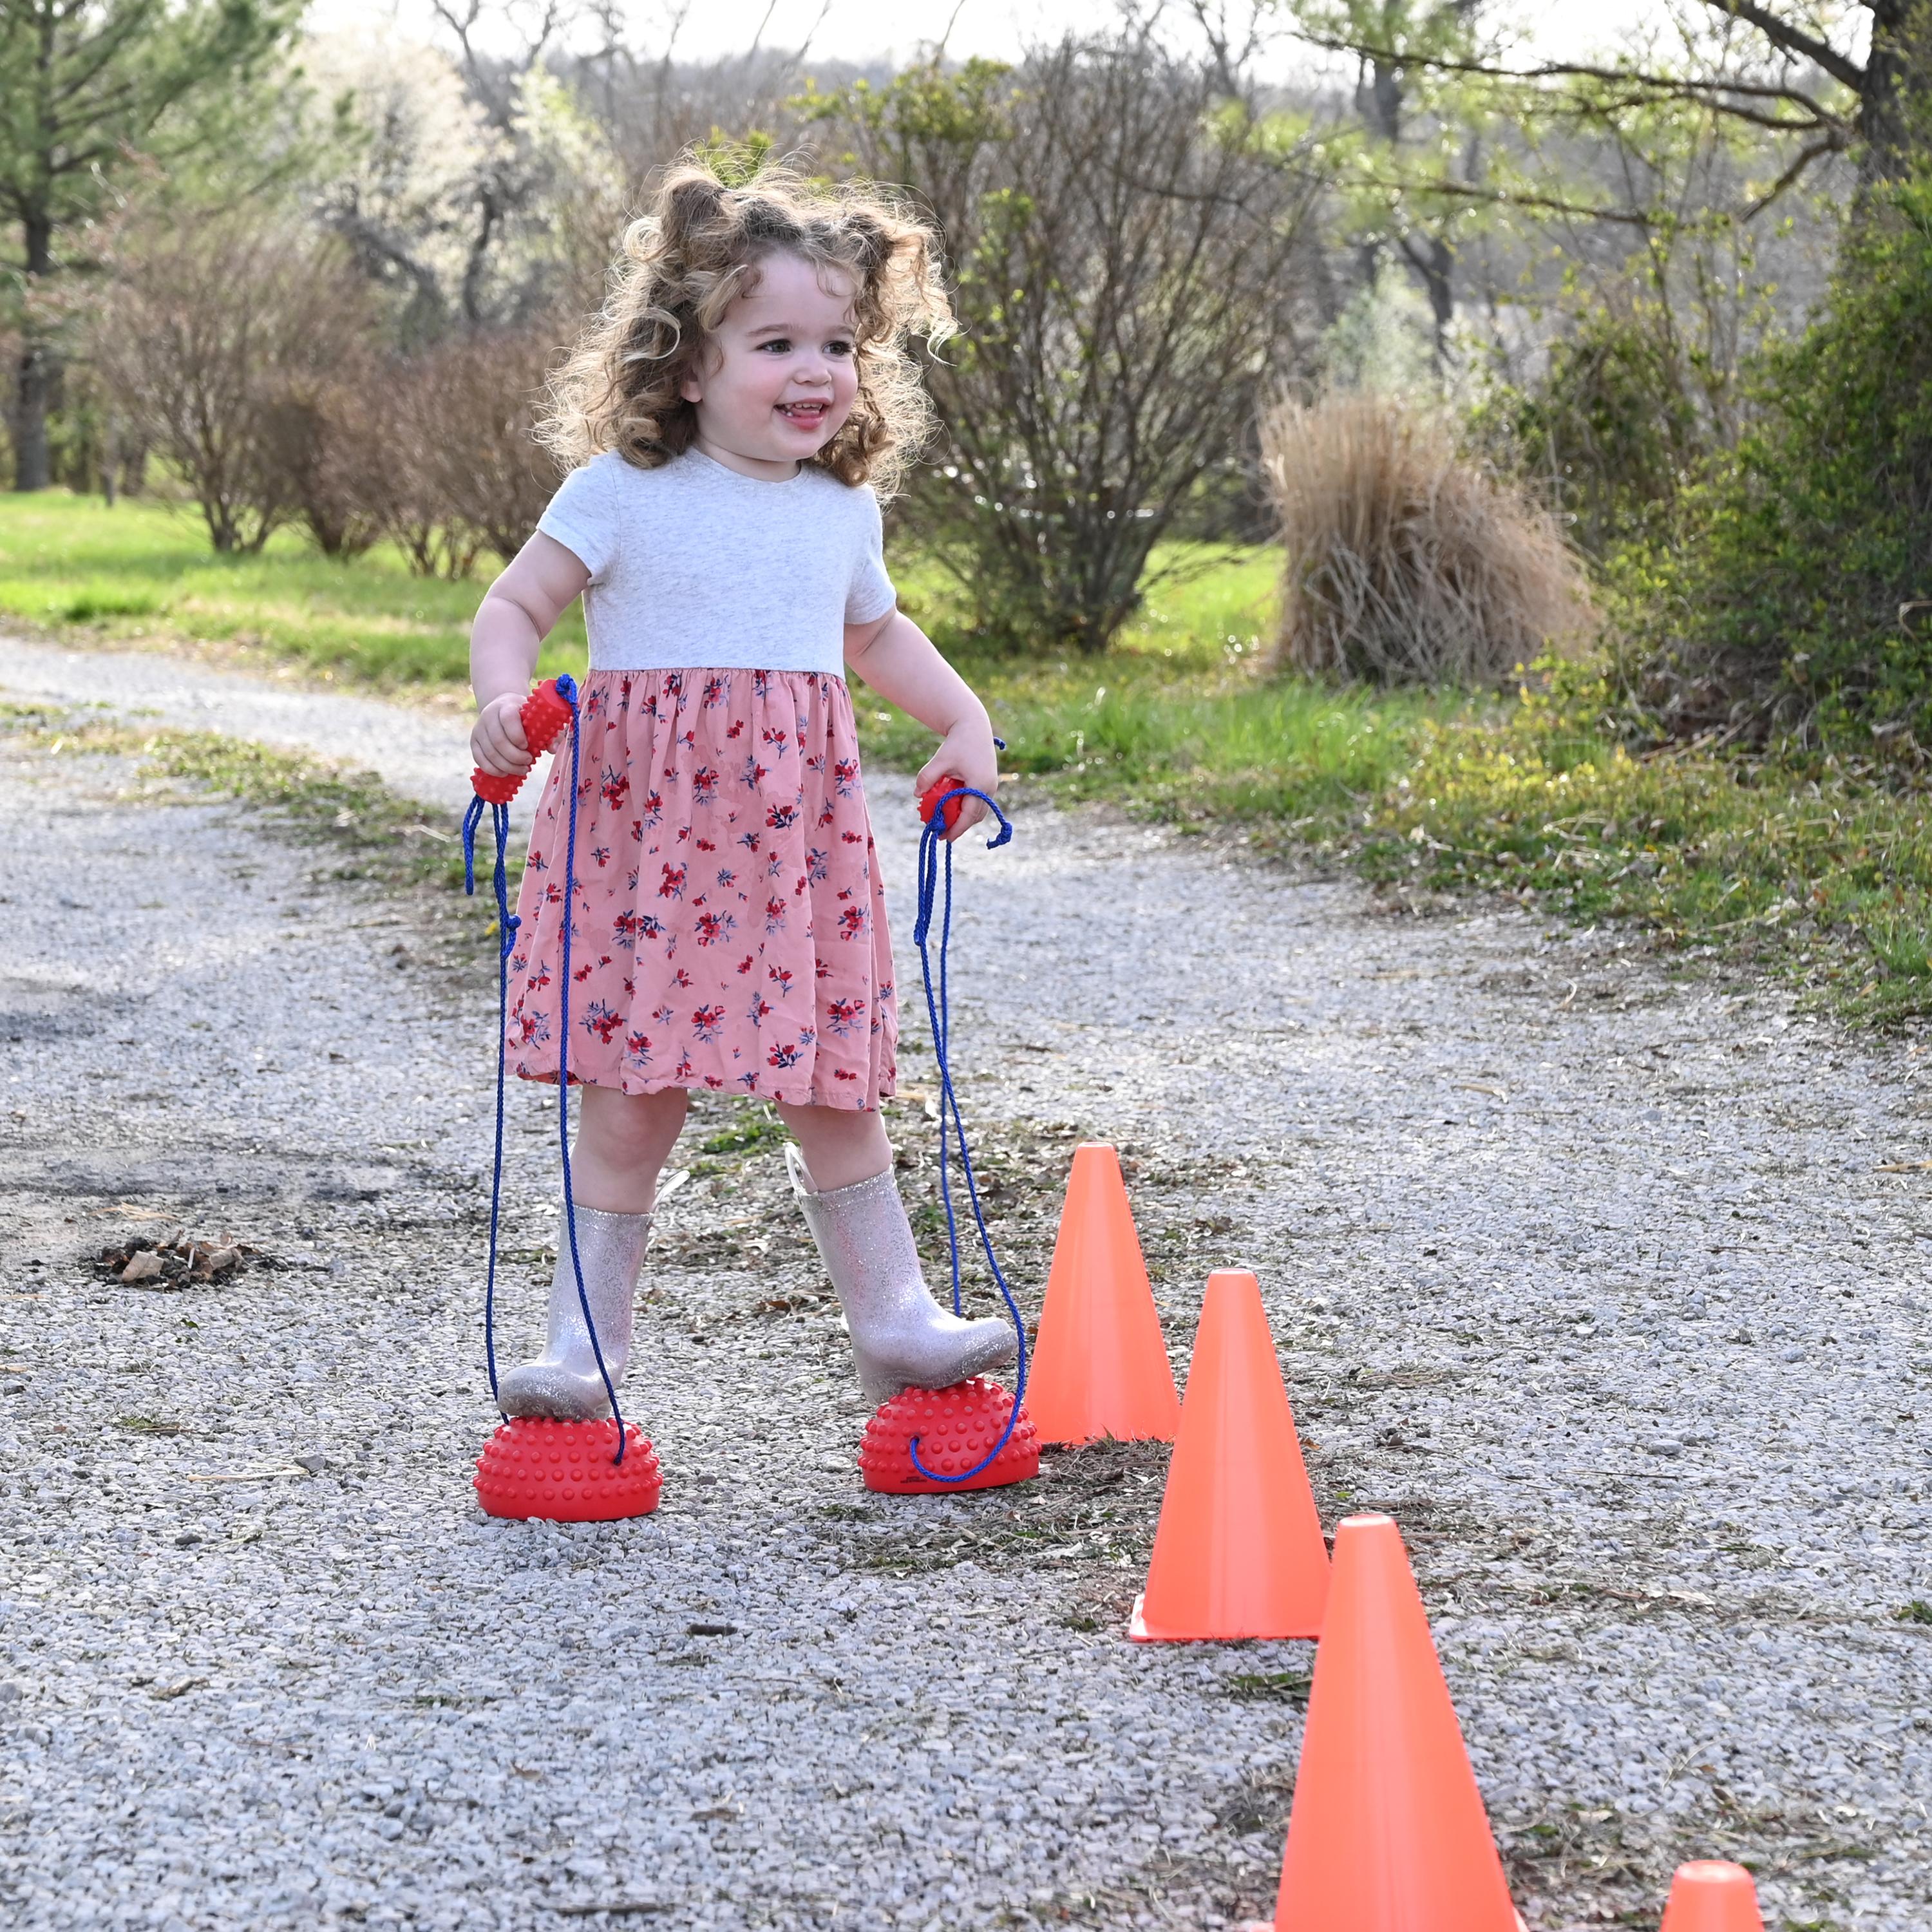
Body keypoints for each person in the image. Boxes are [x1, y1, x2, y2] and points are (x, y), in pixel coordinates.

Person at [466, 159, 1014, 1424]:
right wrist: (503, 697)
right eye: (777, 342)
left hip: (791, 857)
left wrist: (963, 716)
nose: (816, 370)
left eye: (837, 343)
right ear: (690, 361)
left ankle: (895, 1318)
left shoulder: (840, 511)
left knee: (834, 1092)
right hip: (644, 852)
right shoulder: (623, 494)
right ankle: (582, 1356)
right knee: (630, 1110)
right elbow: (517, 604)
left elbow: (878, 639)